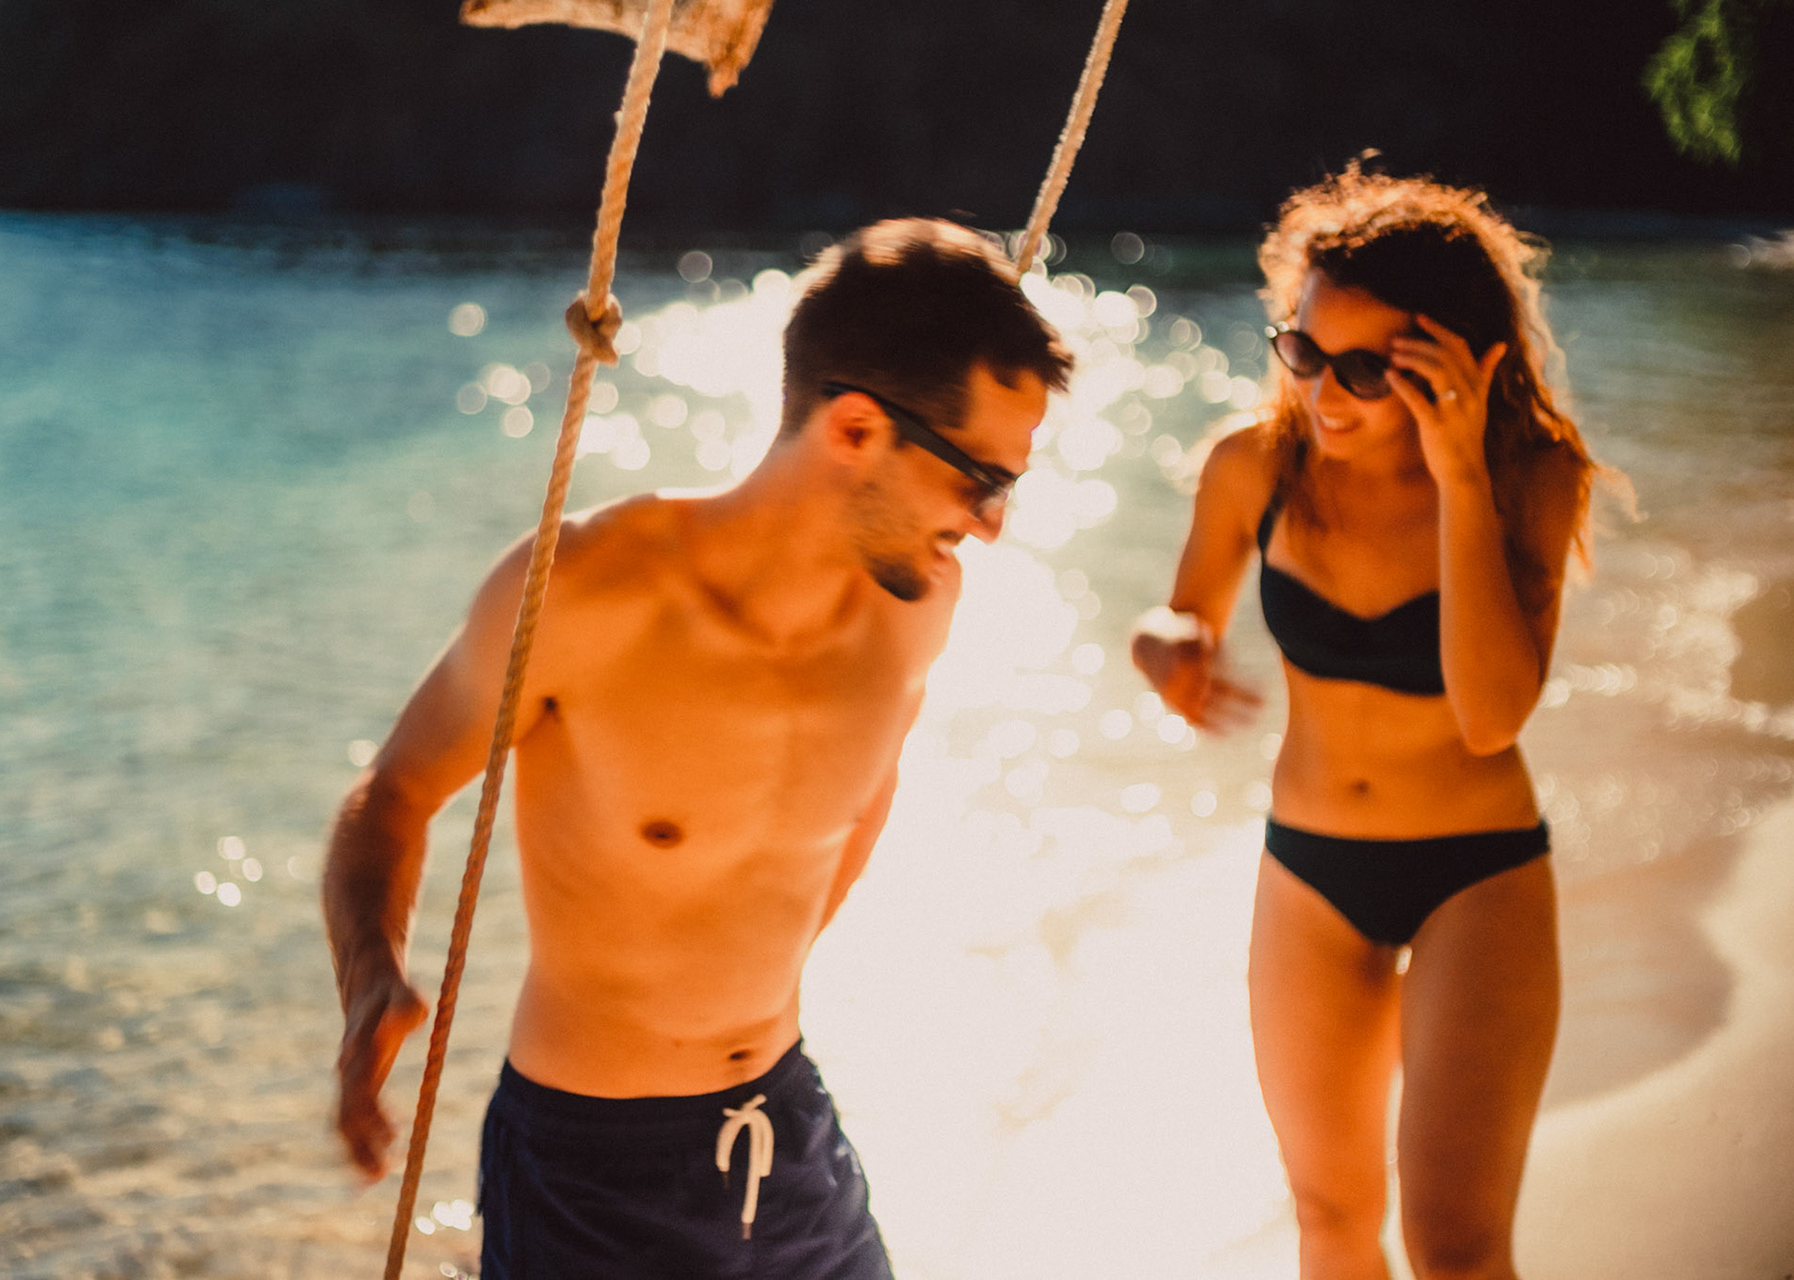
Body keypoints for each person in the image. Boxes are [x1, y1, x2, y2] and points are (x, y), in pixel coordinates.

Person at [323, 217, 1072, 1280]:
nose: (991, 525)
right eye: (980, 480)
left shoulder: (917, 605)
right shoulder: (588, 591)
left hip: (785, 1124)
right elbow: (396, 791)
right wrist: (369, 974)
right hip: (592, 1173)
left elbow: (863, 797)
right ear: (856, 429)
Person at [1129, 165, 1603, 1280]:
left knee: (1456, 1245)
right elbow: (1179, 610)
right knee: (1329, 1220)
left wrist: (1458, 478)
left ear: (1454, 361)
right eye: (1304, 352)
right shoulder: (1253, 465)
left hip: (1476, 875)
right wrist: (1166, 651)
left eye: (1364, 369)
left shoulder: (1530, 477)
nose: (1324, 393)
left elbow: (1491, 716)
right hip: (1309, 873)